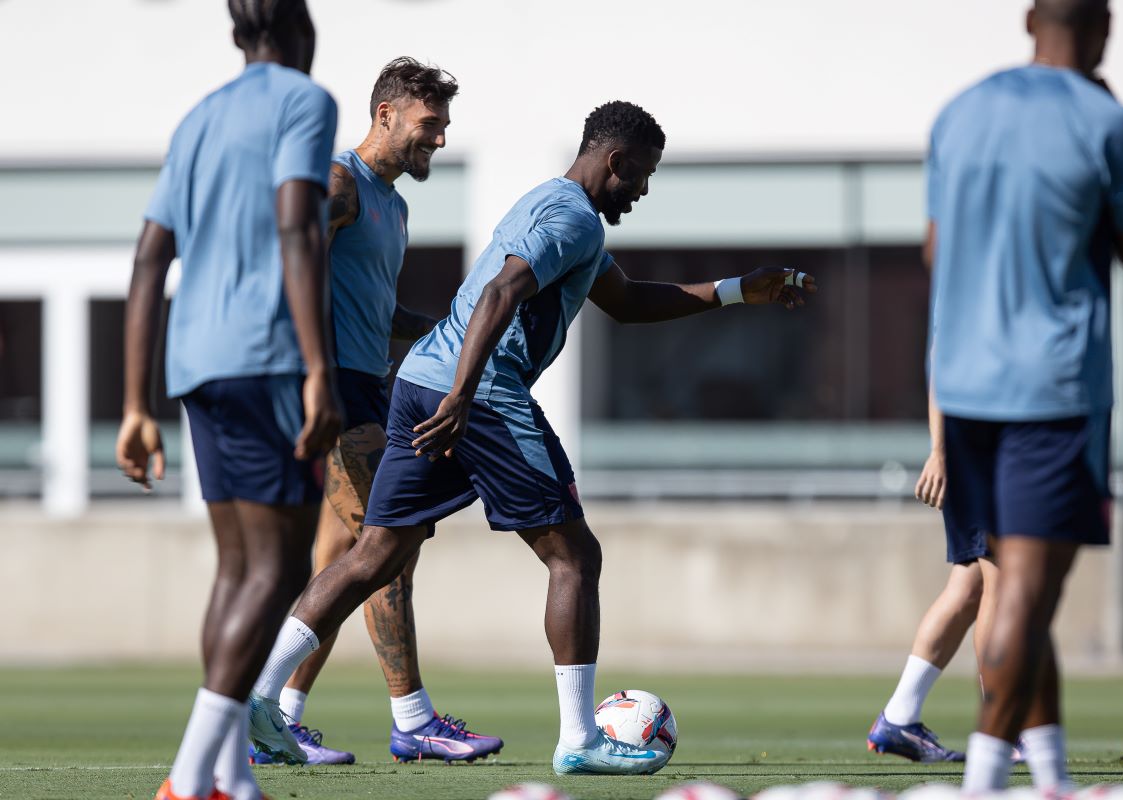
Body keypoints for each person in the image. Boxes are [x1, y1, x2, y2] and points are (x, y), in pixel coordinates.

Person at [246, 100, 816, 775]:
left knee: (376, 552)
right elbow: (501, 291)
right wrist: (463, 395)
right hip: (478, 394)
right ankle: (580, 738)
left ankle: (255, 696)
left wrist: (736, 291)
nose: (643, 191)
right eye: (643, 176)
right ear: (616, 161)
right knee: (575, 557)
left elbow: (628, 302)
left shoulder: (562, 212)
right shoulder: (571, 216)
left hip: (419, 382)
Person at [924, 0, 1123, 793]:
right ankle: (988, 780)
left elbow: (935, 248)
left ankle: (1052, 776)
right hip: (1051, 388)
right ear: (1103, 30)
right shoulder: (1108, 122)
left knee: (1020, 592)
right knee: (1026, 594)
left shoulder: (957, 112)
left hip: (963, 390)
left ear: (1030, 19)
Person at [245, 55, 504, 767]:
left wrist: (455, 333)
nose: (441, 139)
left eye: (445, 126)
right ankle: (411, 720)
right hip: (327, 389)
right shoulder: (338, 183)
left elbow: (377, 310)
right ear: (385, 114)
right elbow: (286, 262)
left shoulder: (394, 203)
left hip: (370, 386)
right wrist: (306, 378)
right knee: (389, 544)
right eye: (430, 123)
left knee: (346, 555)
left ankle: (282, 716)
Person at [117, 1, 342, 798]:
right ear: (298, 29)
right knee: (276, 571)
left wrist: (135, 403)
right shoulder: (304, 101)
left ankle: (222, 777)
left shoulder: (198, 117)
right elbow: (296, 228)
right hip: (267, 359)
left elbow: (148, 260)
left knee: (237, 569)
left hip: (195, 366)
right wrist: (320, 366)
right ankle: (189, 778)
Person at [867, 386, 997, 764]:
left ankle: (900, 717)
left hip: (983, 447)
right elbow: (943, 365)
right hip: (977, 451)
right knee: (998, 583)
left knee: (971, 583)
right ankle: (1004, 726)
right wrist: (941, 450)